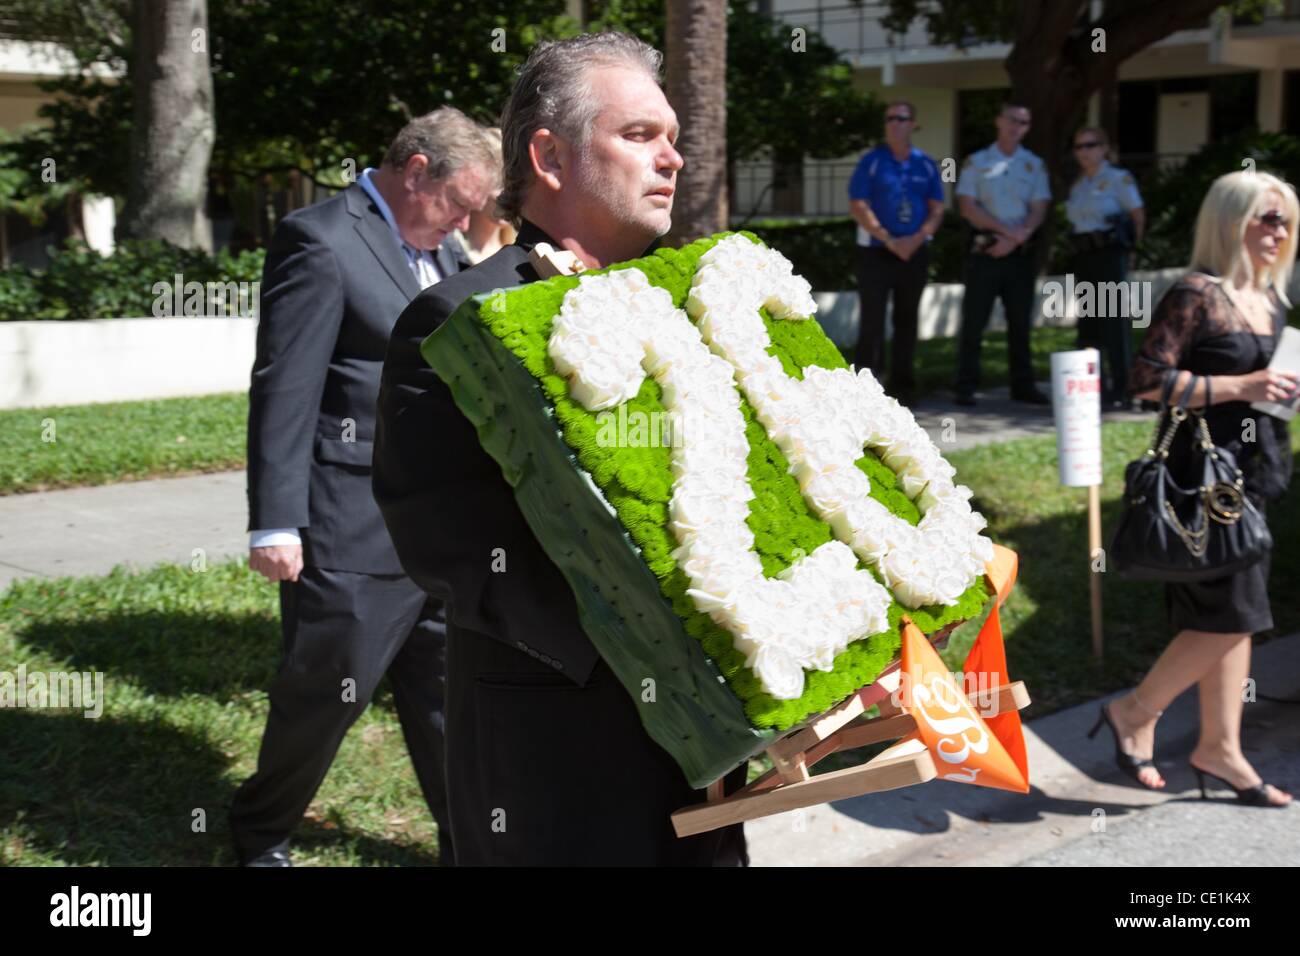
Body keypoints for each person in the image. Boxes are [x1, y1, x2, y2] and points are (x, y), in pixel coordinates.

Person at [373, 31, 750, 865]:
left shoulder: (689, 315)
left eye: (675, 140)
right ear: (549, 154)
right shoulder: (457, 322)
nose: (673, 160)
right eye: (639, 136)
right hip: (558, 751)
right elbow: (447, 546)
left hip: (710, 761)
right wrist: (656, 646)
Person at [234, 108, 498, 866]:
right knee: (326, 693)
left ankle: (470, 844)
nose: (463, 222)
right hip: (349, 522)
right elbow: (285, 387)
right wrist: (274, 522)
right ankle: (261, 831)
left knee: (448, 699)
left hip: (436, 530)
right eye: (456, 202)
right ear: (414, 169)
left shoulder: (438, 251)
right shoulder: (320, 240)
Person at [1091, 170, 1298, 808]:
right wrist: (1245, 387)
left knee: (1233, 620)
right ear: (1230, 219)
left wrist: (1279, 390)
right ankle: (1136, 712)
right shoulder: (1195, 293)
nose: (1279, 231)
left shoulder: (1270, 299)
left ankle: (1220, 748)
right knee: (1234, 616)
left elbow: (1269, 385)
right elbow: (1146, 380)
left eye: (1286, 220)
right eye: (1266, 217)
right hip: (1202, 482)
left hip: (1253, 470)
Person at [953, 102, 1052, 406]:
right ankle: (965, 385)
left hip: (1019, 255)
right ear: (998, 121)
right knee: (974, 322)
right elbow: (967, 205)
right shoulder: (978, 161)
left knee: (1020, 324)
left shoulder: (1033, 164)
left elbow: (1039, 208)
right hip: (985, 251)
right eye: (1012, 120)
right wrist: (1007, 232)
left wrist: (1018, 237)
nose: (1016, 126)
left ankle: (1022, 386)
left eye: (1024, 122)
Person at [848, 100, 945, 406]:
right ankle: (867, 388)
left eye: (901, 118)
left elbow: (937, 208)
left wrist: (915, 239)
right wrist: (889, 239)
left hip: (914, 254)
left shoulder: (925, 164)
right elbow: (858, 204)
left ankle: (903, 386)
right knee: (872, 320)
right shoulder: (872, 161)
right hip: (876, 253)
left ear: (913, 124)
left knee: (907, 319)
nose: (895, 123)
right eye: (890, 118)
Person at [1065, 126, 1145, 411]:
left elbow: (1137, 215)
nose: (1084, 152)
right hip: (1084, 256)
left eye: (1090, 145)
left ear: (1104, 148)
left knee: (1113, 321)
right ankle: (1089, 385)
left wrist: (1131, 251)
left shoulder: (1117, 179)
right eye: (1078, 147)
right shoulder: (1078, 185)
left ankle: (1123, 386)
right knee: (1089, 321)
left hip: (1111, 254)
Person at [452, 127, 518, 264]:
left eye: (516, 185)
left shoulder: (521, 257)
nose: (510, 194)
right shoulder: (447, 254)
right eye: (499, 184)